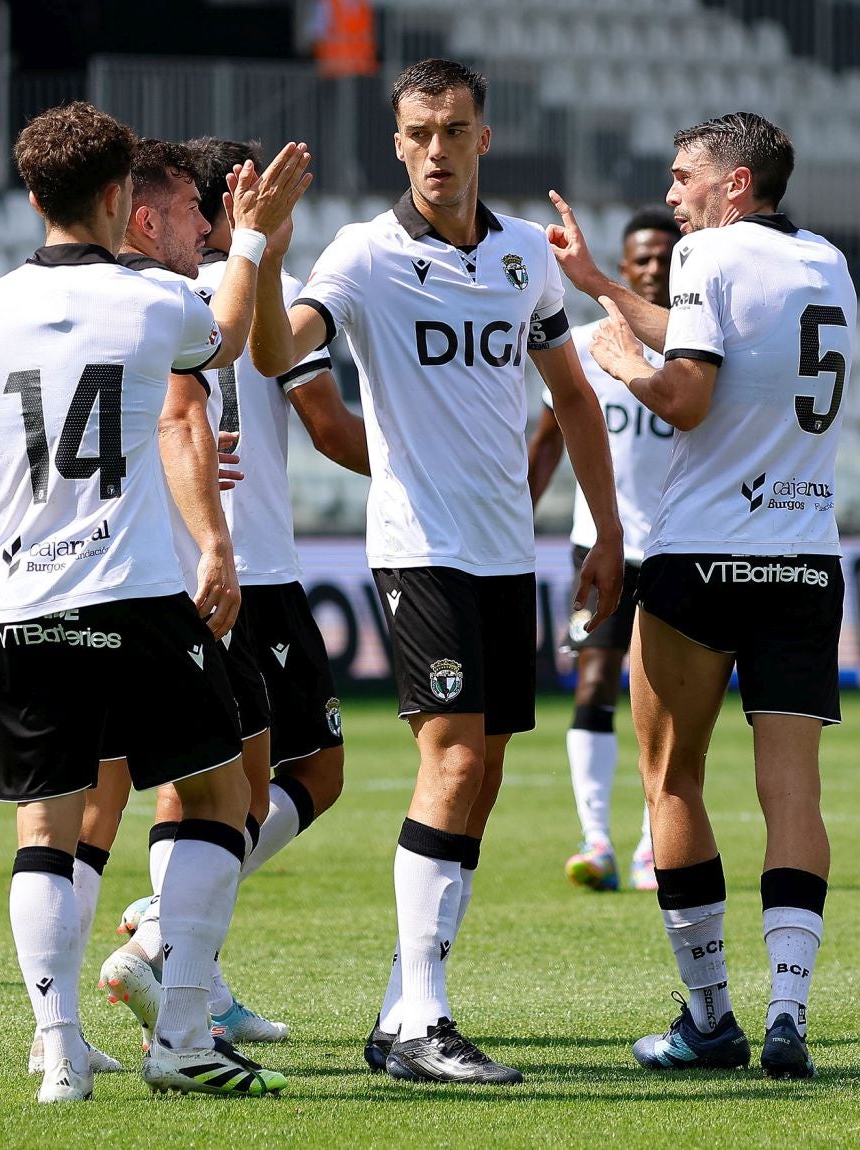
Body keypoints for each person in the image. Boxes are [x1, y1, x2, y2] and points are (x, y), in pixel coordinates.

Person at [249, 58, 623, 1085]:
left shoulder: (524, 255)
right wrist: (262, 252)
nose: (437, 150)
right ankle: (423, 1022)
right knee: (453, 764)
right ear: (397, 143)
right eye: (419, 132)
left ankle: (398, 1011)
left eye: (455, 130)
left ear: (483, 139)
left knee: (483, 778)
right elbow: (280, 349)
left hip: (507, 550)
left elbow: (573, 398)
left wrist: (605, 529)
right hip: (419, 546)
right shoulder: (363, 254)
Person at [0, 99, 308, 1102]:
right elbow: (225, 341)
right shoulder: (153, 302)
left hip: (26, 603)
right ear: (118, 197)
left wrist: (8, 561)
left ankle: (57, 1049)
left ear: (33, 198)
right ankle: (183, 1035)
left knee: (45, 826)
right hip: (140, 598)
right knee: (219, 796)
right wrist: (254, 236)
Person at [549, 111, 855, 1080]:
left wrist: (623, 365)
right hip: (803, 559)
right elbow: (726, 343)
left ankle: (711, 1019)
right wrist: (603, 288)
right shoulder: (827, 262)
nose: (672, 193)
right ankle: (789, 1014)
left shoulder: (706, 255)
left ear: (735, 184)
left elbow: (686, 394)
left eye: (685, 176)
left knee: (671, 779)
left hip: (702, 557)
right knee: (793, 793)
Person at [96, 135, 366, 1050]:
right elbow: (327, 424)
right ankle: (169, 940)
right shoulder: (241, 298)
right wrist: (437, 463)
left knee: (199, 786)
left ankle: (194, 977)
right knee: (299, 776)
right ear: (239, 199)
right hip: (251, 568)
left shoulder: (150, 300)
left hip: (180, 570)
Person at [526, 205, 681, 894]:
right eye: (641, 258)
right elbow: (546, 443)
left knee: (667, 701)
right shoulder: (584, 344)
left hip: (676, 550)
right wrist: (518, 517)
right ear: (621, 267)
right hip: (598, 547)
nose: (653, 268)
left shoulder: (694, 353)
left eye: (665, 258)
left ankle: (653, 844)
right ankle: (595, 840)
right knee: (593, 685)